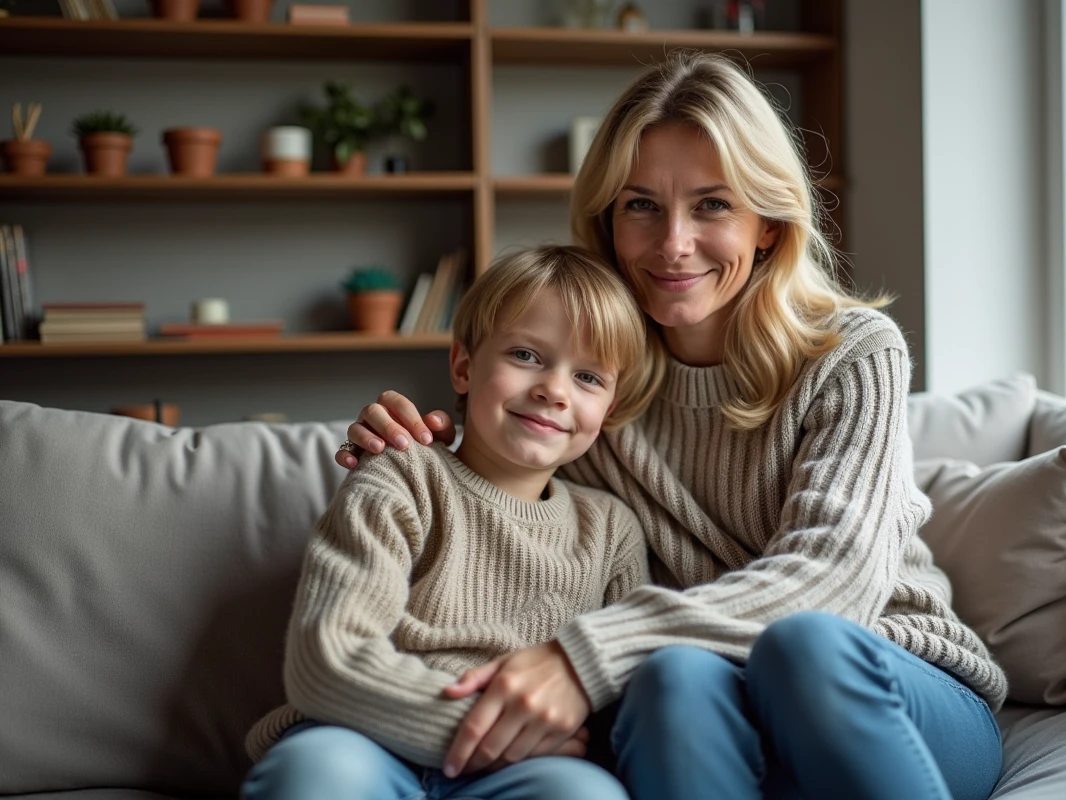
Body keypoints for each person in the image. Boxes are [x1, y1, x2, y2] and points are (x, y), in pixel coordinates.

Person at [334, 52, 1008, 800]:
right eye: (641, 205)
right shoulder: (592, 384)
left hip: (893, 693)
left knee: (801, 645)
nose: (673, 243)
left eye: (713, 205)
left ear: (767, 225)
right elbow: (508, 506)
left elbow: (834, 582)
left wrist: (585, 656)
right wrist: (416, 449)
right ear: (608, 222)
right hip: (711, 710)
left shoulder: (851, 352)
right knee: (673, 675)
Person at [241, 245, 665, 800]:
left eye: (587, 376)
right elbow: (327, 659)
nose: (554, 391)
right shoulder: (401, 477)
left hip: (523, 770)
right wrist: (478, 731)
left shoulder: (612, 530)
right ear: (464, 367)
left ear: (609, 409)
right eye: (526, 355)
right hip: (365, 737)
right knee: (319, 775)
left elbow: (621, 685)